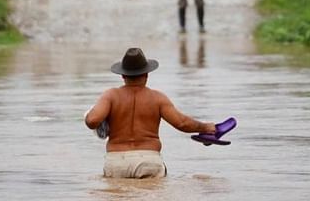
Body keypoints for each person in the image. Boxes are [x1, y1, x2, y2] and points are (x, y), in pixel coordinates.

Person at [84, 48, 217, 179]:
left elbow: (92, 121)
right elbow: (182, 123)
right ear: (147, 74)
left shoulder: (111, 96)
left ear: (123, 75)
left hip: (116, 162)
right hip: (148, 161)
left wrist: (90, 115)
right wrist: (205, 127)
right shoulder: (157, 98)